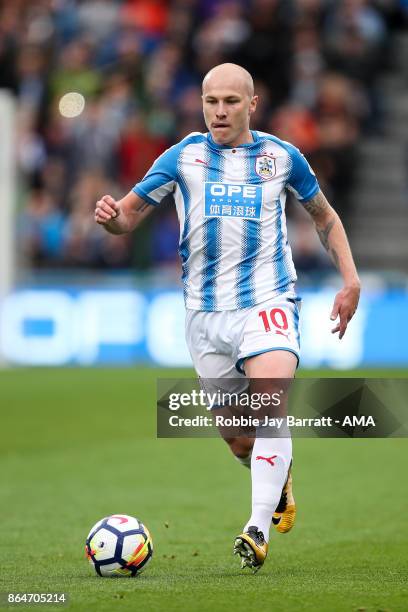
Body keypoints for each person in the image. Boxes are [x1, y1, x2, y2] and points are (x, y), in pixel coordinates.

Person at [94, 63, 360, 572]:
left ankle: (256, 527)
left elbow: (325, 217)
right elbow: (129, 215)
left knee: (268, 404)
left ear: (251, 105)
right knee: (239, 437)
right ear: (201, 102)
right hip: (205, 317)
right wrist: (112, 220)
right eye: (211, 101)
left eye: (231, 102)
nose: (220, 111)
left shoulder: (282, 158)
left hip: (268, 302)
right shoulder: (182, 157)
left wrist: (350, 280)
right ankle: (275, 477)